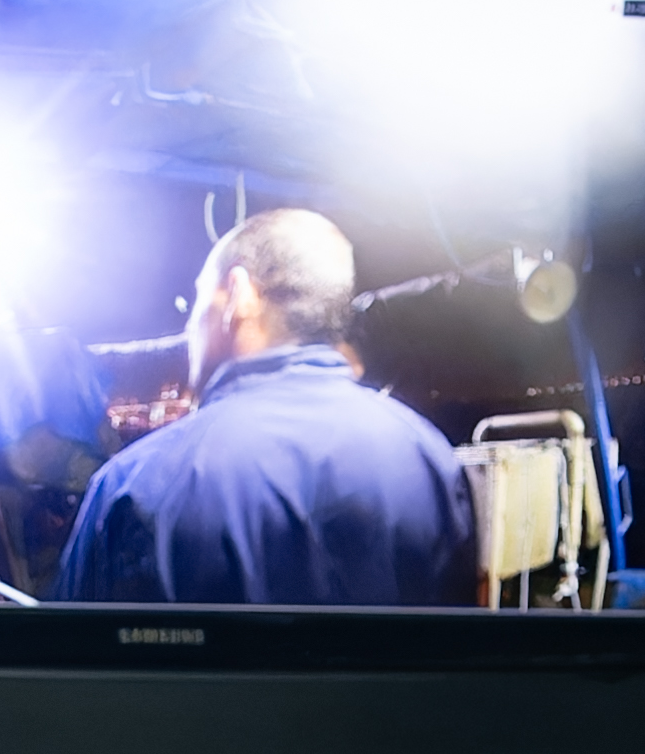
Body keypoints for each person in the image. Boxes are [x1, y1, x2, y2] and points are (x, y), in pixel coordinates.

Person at [55, 208, 473, 607]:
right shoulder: (429, 458)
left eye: (200, 299)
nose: (190, 328)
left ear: (238, 295)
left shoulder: (137, 484)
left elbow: (71, 663)